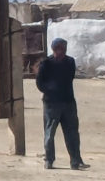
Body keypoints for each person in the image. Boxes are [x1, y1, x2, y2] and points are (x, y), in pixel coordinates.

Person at [36, 38, 88, 170]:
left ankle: (75, 160)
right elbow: (40, 83)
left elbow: (69, 78)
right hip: (52, 104)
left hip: (68, 102)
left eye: (64, 48)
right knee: (50, 133)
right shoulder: (46, 63)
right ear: (54, 49)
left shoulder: (70, 62)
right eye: (59, 48)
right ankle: (49, 160)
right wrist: (50, 91)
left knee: (72, 133)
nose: (62, 51)